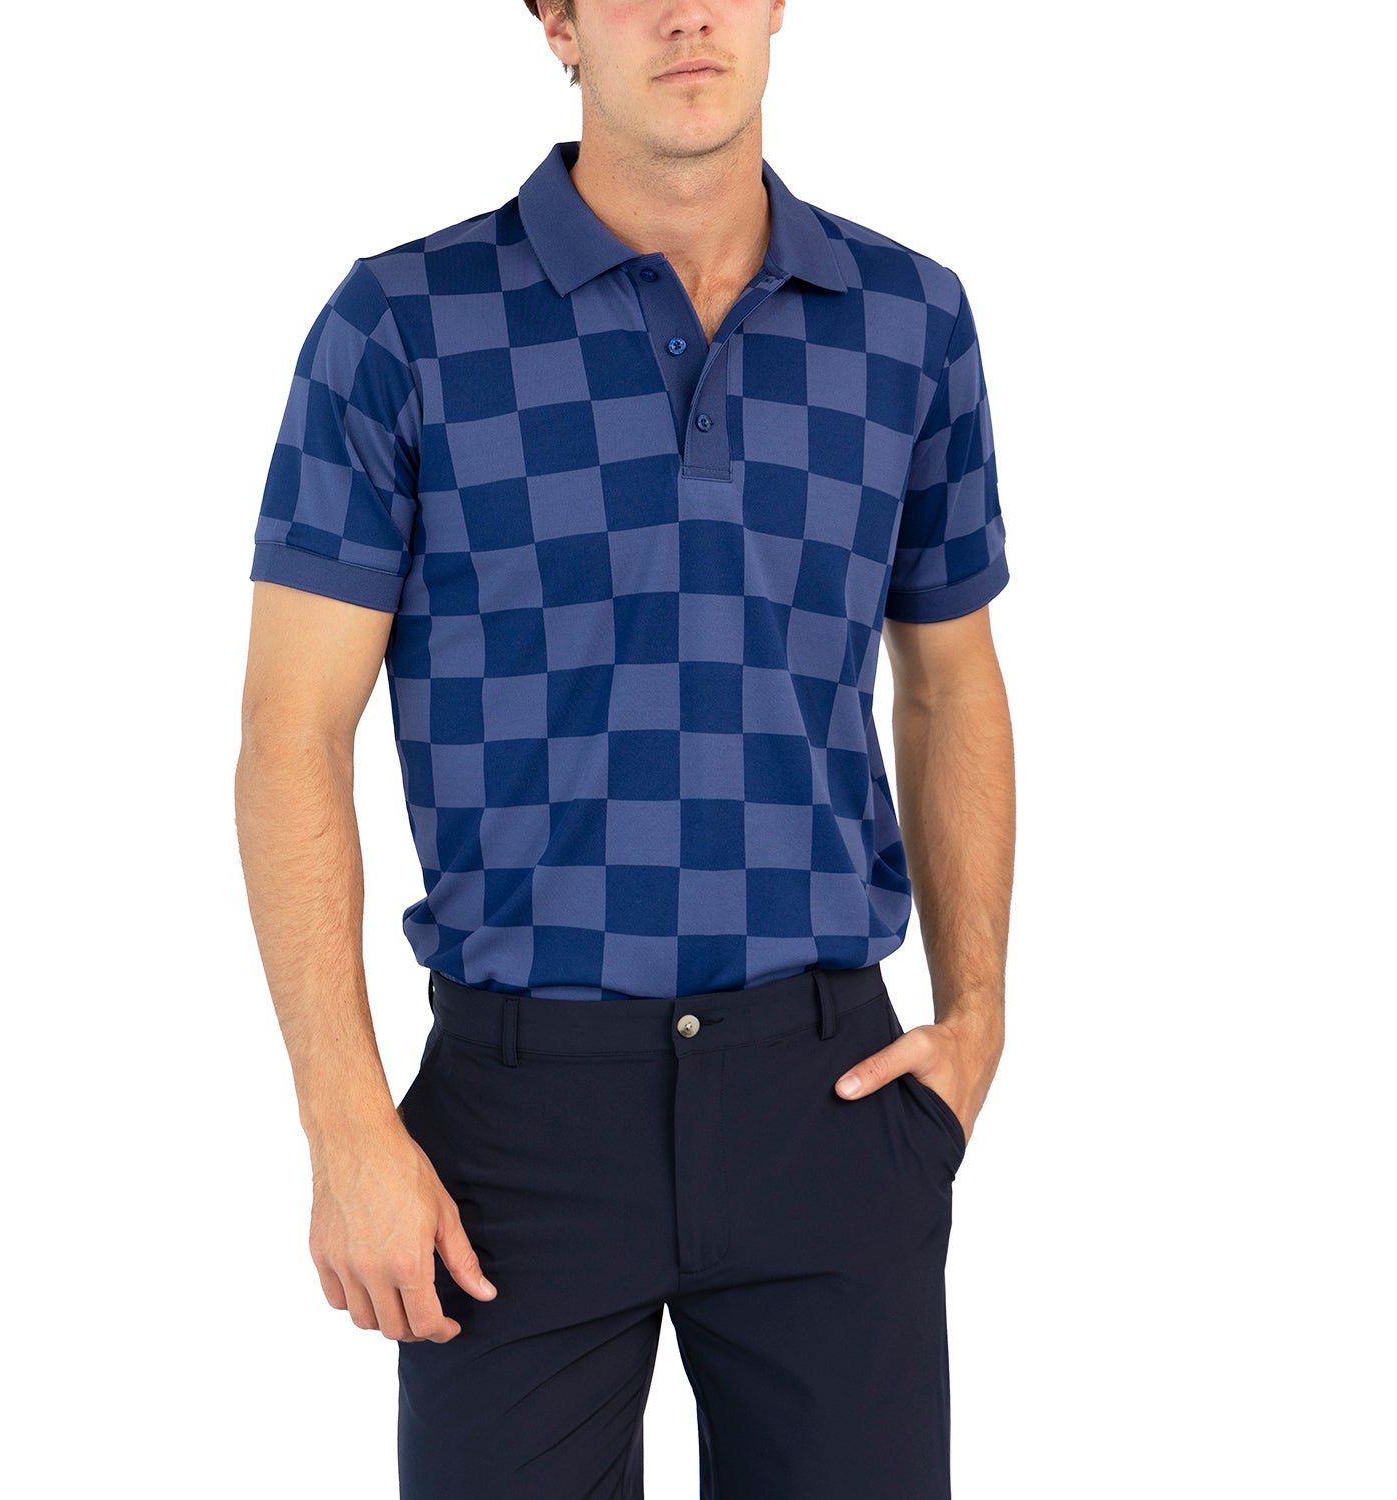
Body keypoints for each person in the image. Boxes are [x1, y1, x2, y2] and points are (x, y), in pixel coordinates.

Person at [234, 2, 1014, 1494]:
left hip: (830, 1099)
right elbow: (289, 732)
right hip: (513, 1129)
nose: (688, 14)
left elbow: (953, 685)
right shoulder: (402, 324)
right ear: (558, 21)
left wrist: (975, 1019)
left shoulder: (910, 320)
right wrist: (344, 1128)